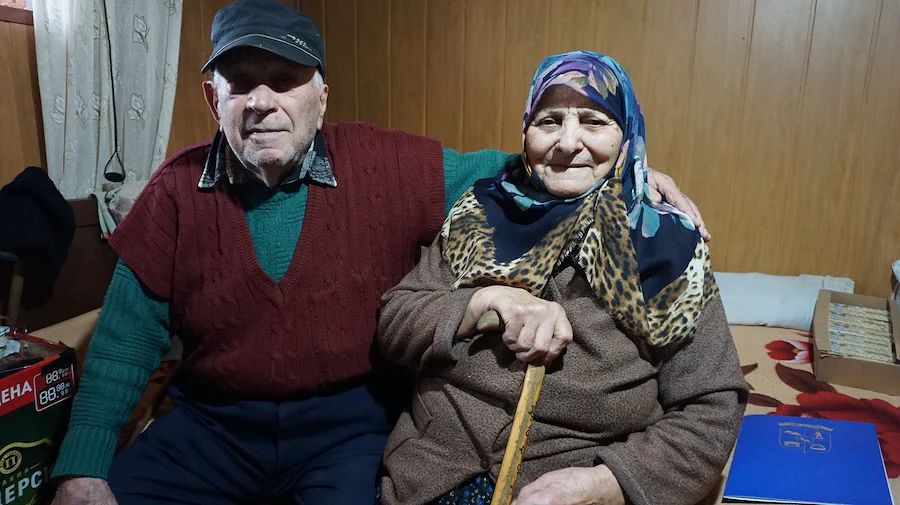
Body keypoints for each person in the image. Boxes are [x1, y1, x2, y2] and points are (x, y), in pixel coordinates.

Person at [49, 1, 710, 504]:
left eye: (285, 80)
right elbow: (123, 343)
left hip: (346, 426)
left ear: (320, 97)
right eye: (240, 82)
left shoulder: (386, 164)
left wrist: (626, 176)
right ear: (211, 97)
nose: (262, 102)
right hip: (210, 427)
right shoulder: (173, 190)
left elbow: (519, 166)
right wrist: (81, 466)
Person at [376, 51, 748, 505]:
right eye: (549, 121)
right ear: (525, 132)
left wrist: (606, 485)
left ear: (626, 138)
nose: (568, 143)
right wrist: (482, 302)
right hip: (429, 471)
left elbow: (711, 406)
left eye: (594, 121)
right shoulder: (481, 210)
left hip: (577, 482)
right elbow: (396, 320)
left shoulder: (668, 245)